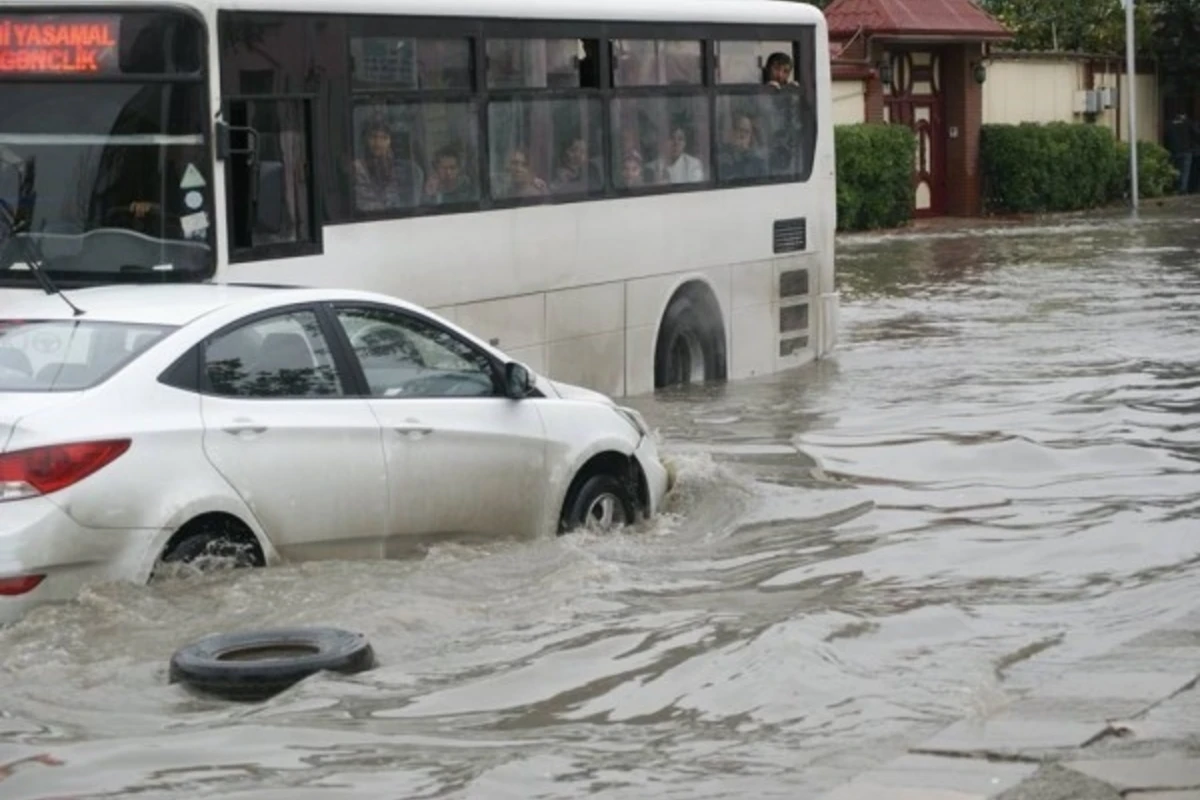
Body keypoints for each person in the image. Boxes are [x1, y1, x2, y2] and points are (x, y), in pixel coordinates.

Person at [352, 115, 423, 212]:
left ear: (390, 141)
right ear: (366, 139)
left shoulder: (400, 167)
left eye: (384, 138)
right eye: (373, 137)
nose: (378, 143)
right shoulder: (358, 168)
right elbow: (365, 204)